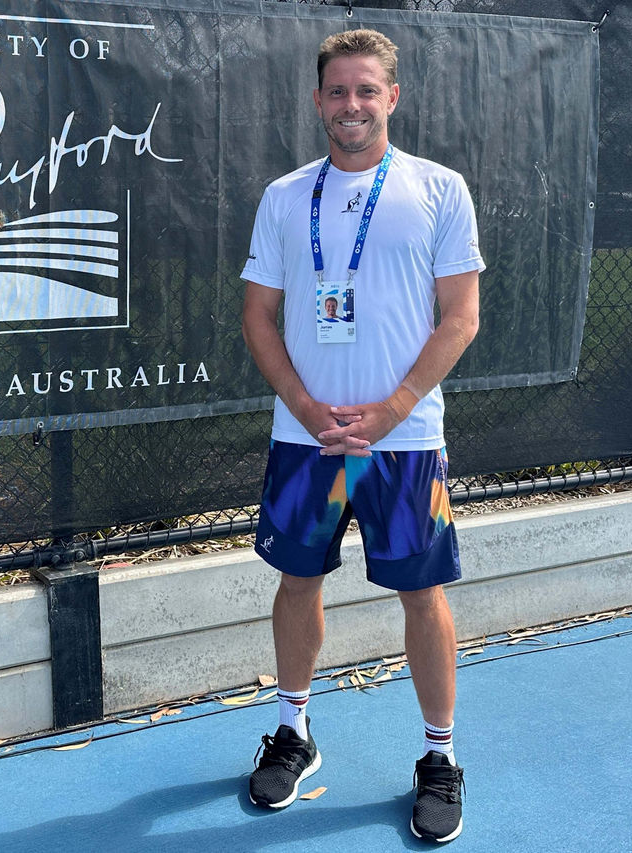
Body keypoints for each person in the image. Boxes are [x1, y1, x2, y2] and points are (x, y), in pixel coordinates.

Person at [239, 28, 483, 843]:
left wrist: (394, 407)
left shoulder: (440, 189)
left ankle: (440, 755)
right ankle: (293, 733)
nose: (352, 104)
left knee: (423, 593)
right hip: (305, 439)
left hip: (402, 443)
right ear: (318, 101)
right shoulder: (284, 197)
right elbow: (258, 316)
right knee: (297, 581)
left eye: (366, 89)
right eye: (338, 90)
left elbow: (461, 317)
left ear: (392, 97)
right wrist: (306, 407)